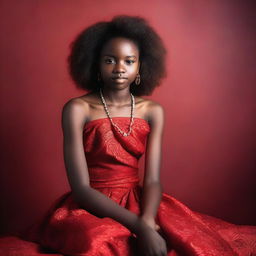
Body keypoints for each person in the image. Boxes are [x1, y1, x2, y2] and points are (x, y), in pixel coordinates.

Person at [21, 15, 256, 256]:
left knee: (187, 242)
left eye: (129, 61)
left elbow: (153, 180)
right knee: (100, 243)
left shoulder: (152, 111)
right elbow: (81, 189)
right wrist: (140, 228)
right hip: (91, 205)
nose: (120, 68)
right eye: (109, 60)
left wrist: (147, 218)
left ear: (140, 67)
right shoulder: (77, 109)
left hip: (140, 203)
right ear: (96, 65)